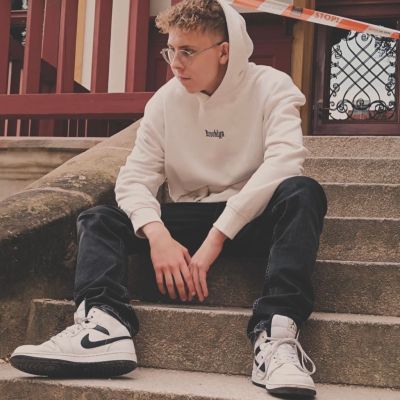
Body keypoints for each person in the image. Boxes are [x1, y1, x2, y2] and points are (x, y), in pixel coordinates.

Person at [10, 0, 327, 397]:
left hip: (249, 220)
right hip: (186, 219)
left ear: (224, 51)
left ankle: (277, 334)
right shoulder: (164, 101)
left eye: (188, 51)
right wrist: (157, 234)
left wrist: (216, 238)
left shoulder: (272, 86)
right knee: (99, 218)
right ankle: (105, 325)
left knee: (302, 192)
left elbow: (284, 162)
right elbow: (134, 178)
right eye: (171, 50)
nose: (175, 63)